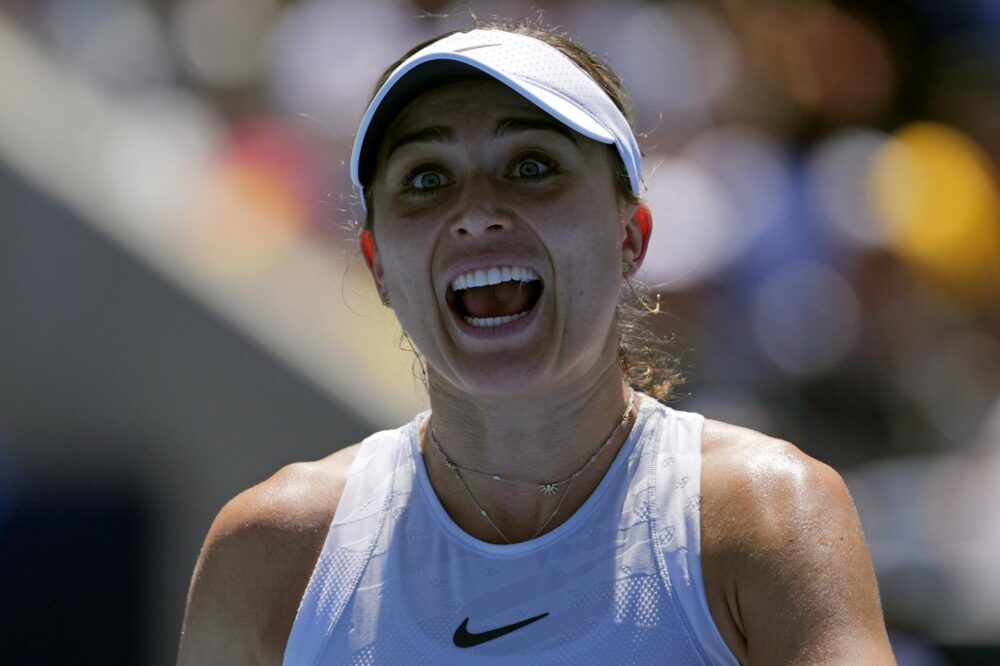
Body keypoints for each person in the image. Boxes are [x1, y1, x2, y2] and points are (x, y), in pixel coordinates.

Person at [177, 21, 895, 665]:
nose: (478, 212)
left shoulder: (767, 516)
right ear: (378, 268)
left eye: (530, 166)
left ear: (629, 238)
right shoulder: (270, 553)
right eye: (426, 179)